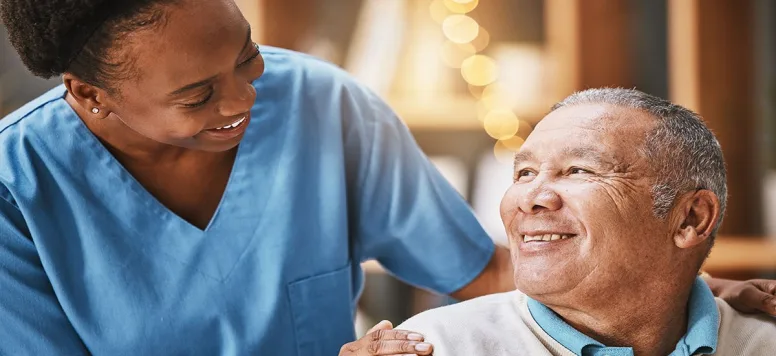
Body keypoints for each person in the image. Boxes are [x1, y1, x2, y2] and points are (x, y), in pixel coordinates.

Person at [0, 1, 771, 354]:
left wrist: (672, 286)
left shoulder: (322, 105)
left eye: (245, 56)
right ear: (89, 95)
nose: (244, 100)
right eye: (197, 95)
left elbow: (485, 272)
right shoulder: (17, 188)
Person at [395, 88, 776, 356]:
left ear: (690, 218)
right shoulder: (433, 346)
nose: (530, 199)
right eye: (524, 173)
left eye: (578, 169)